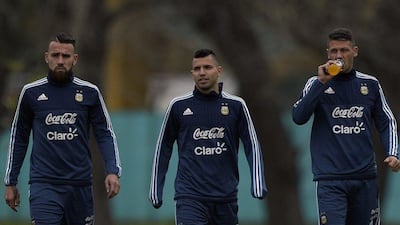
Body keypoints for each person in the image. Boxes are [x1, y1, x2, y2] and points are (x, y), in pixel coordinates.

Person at [4, 33, 121, 225]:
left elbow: (105, 133)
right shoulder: (31, 93)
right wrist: (11, 181)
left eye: (65, 56)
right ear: (46, 57)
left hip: (80, 185)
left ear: (74, 59)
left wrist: (112, 171)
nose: (60, 60)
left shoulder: (90, 92)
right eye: (55, 55)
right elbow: (19, 137)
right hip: (44, 185)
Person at [292, 27, 400, 225]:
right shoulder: (315, 83)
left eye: (344, 50)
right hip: (330, 180)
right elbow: (298, 117)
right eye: (334, 51)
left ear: (355, 51)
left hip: (365, 179)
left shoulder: (371, 84)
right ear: (328, 53)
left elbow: (387, 121)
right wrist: (321, 83)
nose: (338, 56)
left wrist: (393, 153)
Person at [149, 48, 267, 224]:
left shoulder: (236, 106)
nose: (202, 72)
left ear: (219, 71)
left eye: (207, 67)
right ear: (192, 73)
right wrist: (156, 188)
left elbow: (252, 145)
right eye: (197, 69)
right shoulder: (178, 106)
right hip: (189, 197)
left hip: (225, 199)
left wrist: (258, 182)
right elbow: (163, 148)